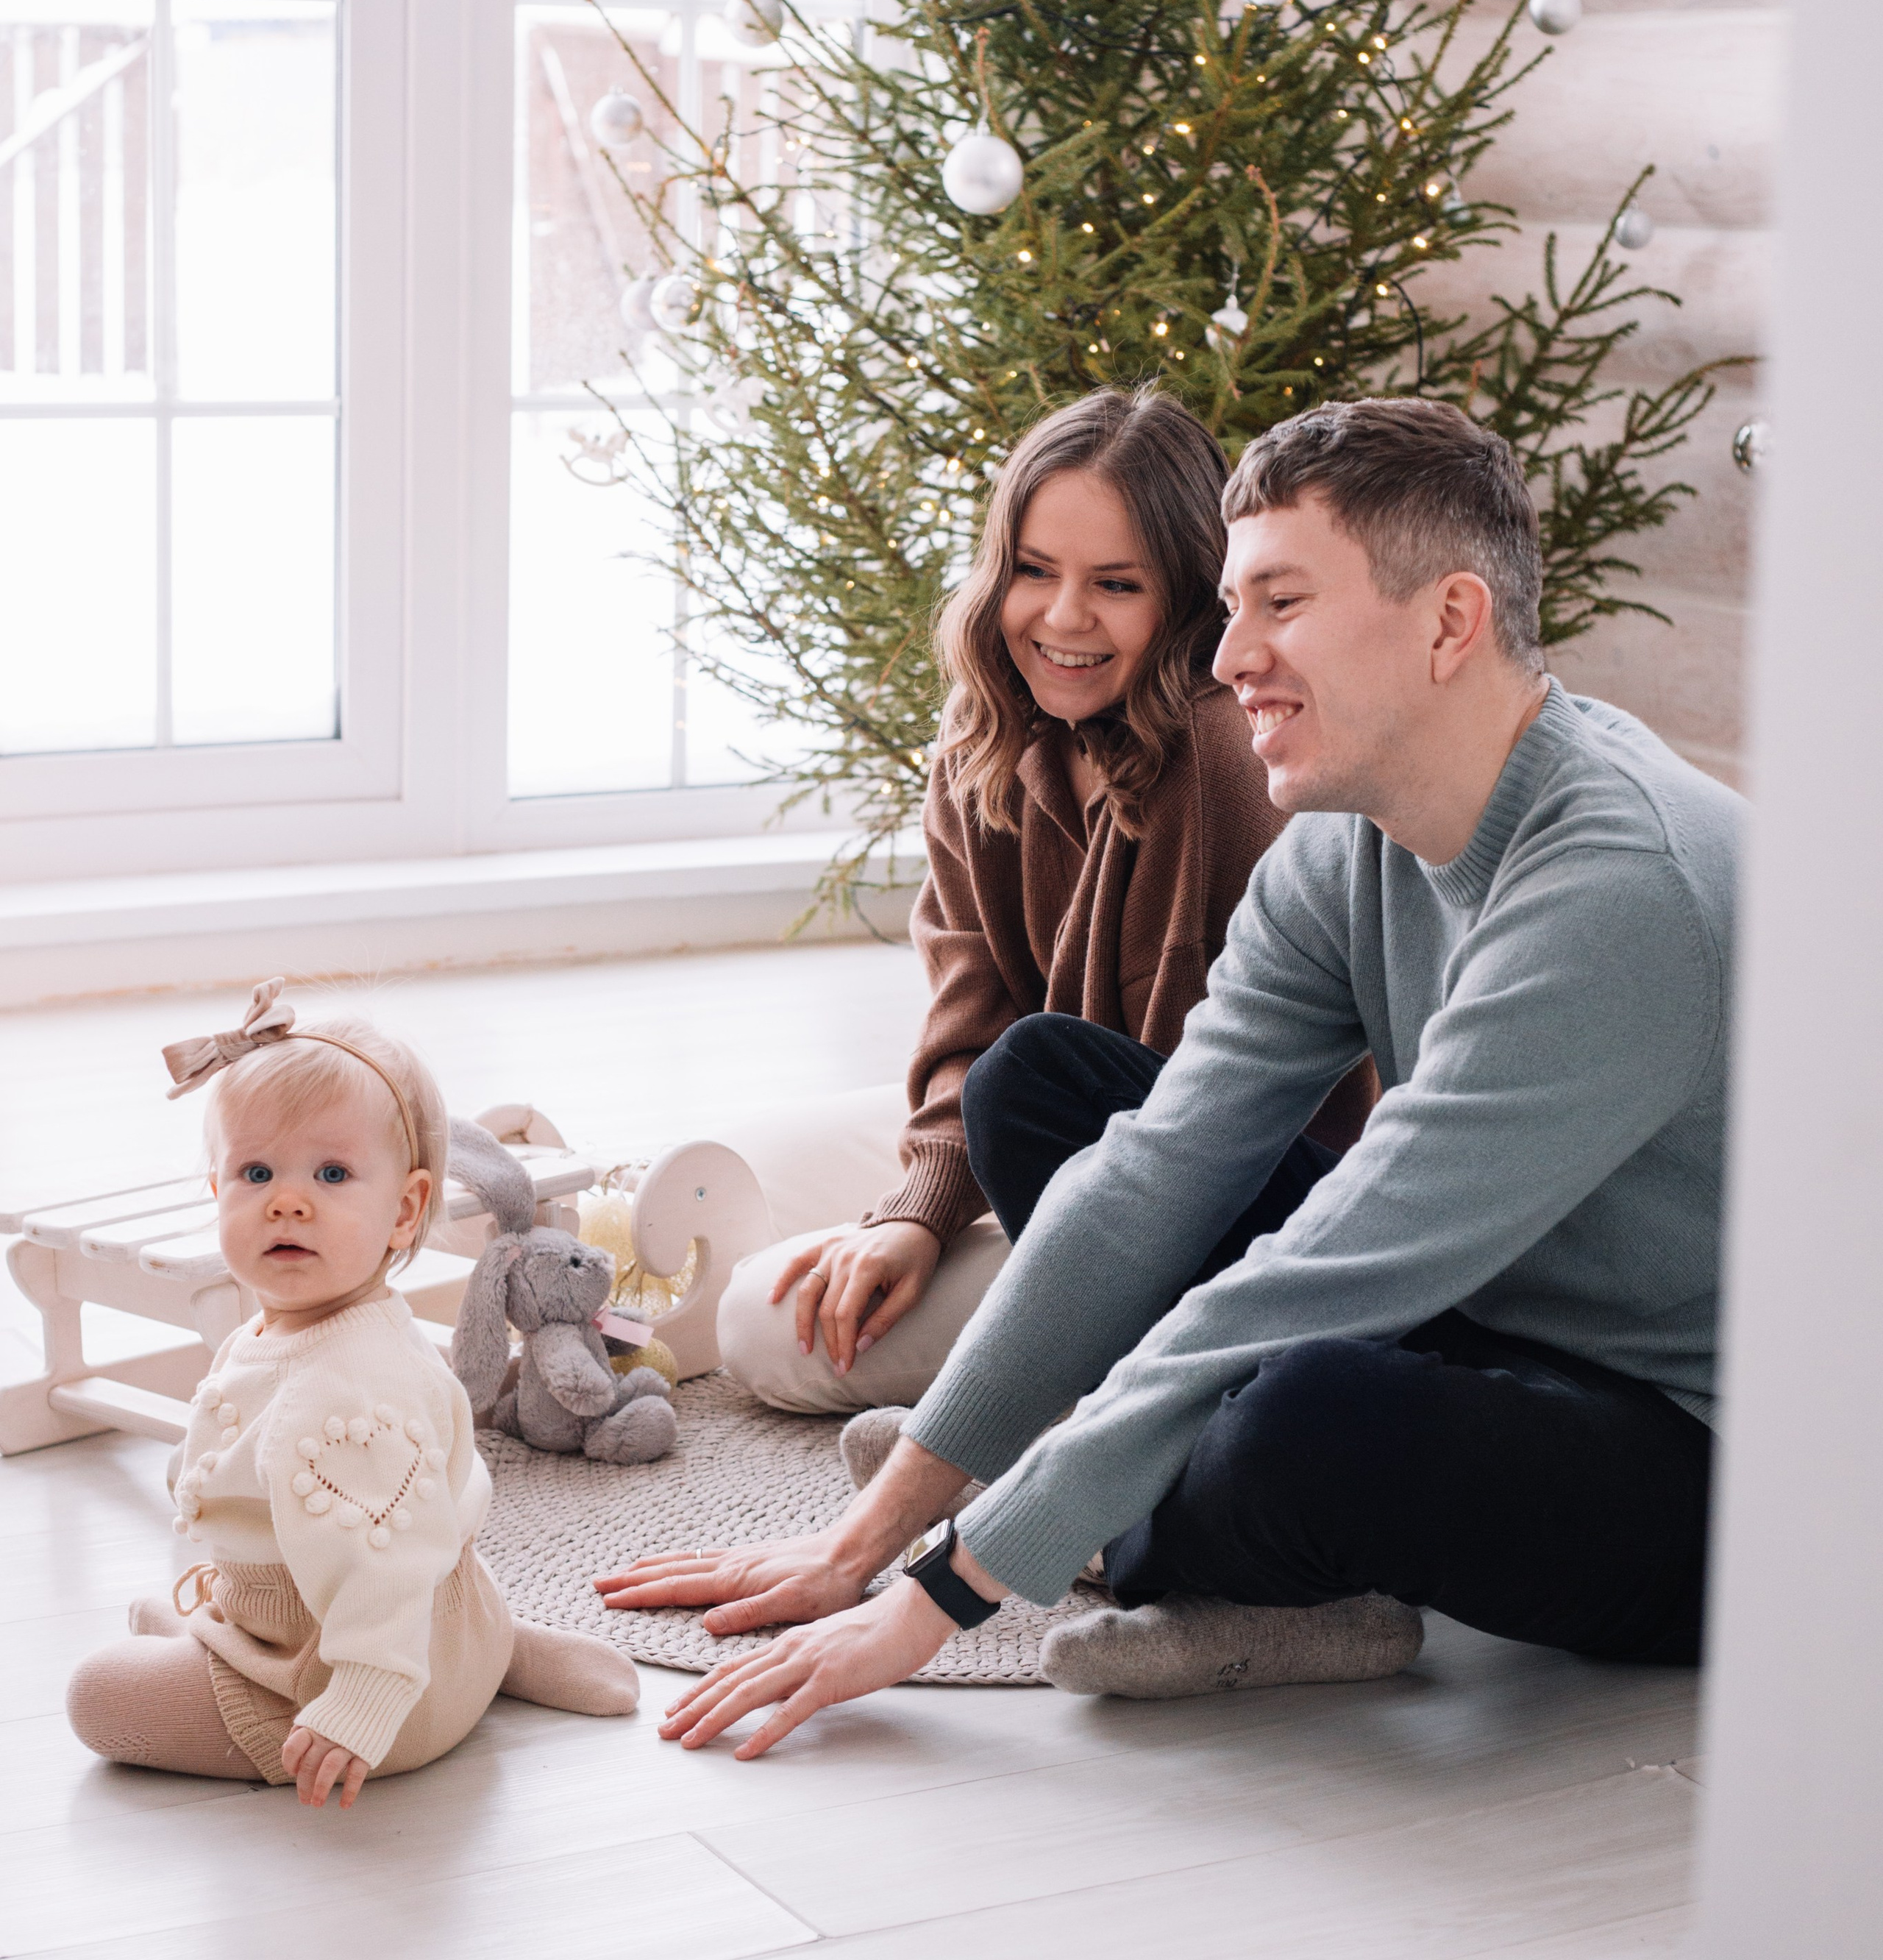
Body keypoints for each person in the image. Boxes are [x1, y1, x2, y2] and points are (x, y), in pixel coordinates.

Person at [600, 396, 1739, 1758]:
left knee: (1304, 1424)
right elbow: (1155, 1171)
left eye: (1280, 604)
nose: (1233, 652)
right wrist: (874, 1522)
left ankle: (1134, 1515)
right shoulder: (1349, 834)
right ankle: (1117, 1490)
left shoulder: (1619, 887)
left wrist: (939, 1588)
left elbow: (1339, 1260)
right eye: (1228, 604)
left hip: (1712, 1461)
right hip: (1483, 1321)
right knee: (1069, 1100)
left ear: (1447, 623)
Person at [716, 386, 1364, 1416]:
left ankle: (1071, 1425)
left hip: (1187, 1189)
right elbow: (970, 1004)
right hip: (1037, 1126)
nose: (1064, 618)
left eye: (1116, 583)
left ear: (1189, 597)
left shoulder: (1215, 753)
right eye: (1033, 571)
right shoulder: (984, 737)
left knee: (763, 1325)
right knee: (734, 1176)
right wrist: (919, 1209)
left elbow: (1175, 1131)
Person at [65, 987, 641, 1804]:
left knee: (99, 1694)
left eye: (332, 1173)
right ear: (215, 1189)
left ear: (403, 1209)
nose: (288, 1198)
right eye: (255, 1171)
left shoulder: (340, 1400)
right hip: (430, 1615)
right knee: (369, 1581)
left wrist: (361, 1704)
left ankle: (377, 1671)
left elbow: (382, 1566)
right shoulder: (321, 1323)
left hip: (362, 1689)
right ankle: (487, 1647)